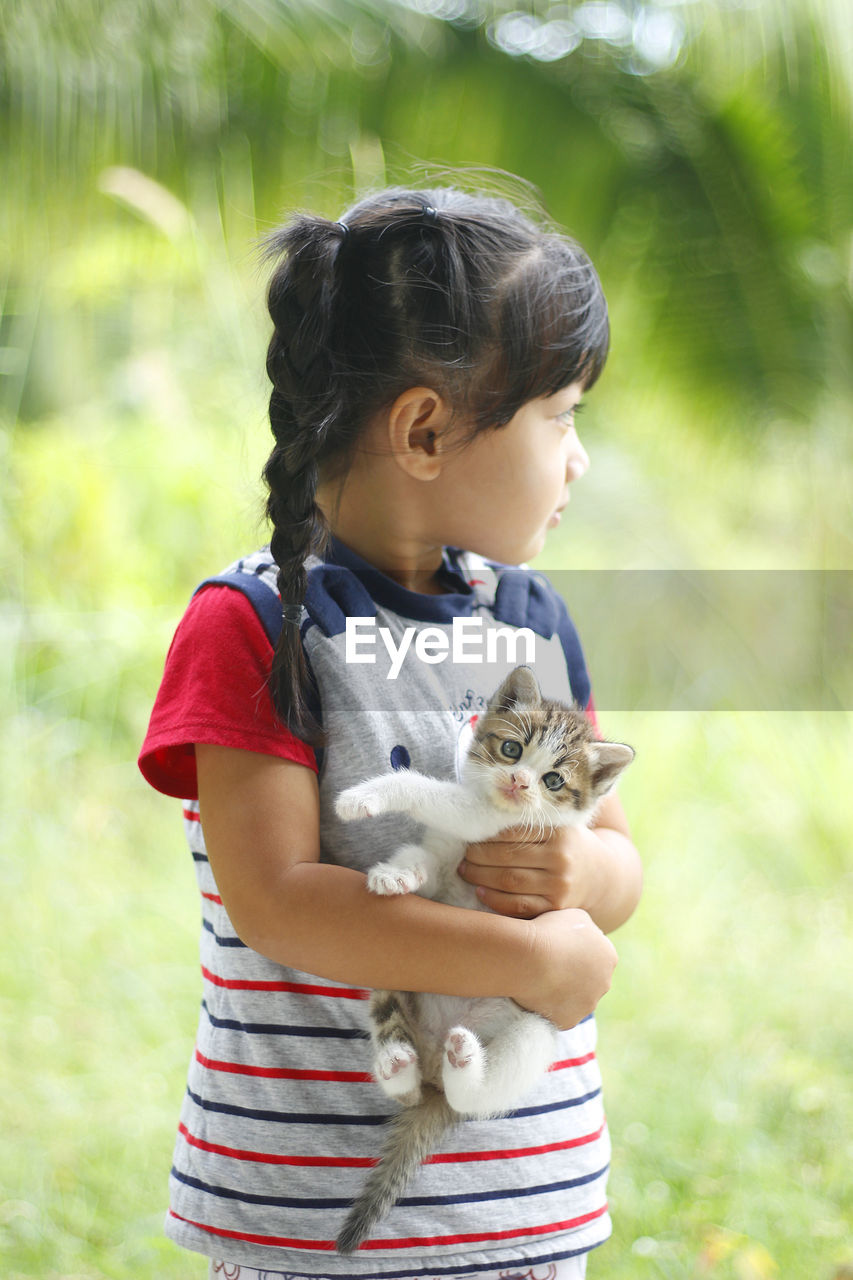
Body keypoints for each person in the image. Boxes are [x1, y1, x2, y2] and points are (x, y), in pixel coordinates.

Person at [139, 183, 643, 1280]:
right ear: (424, 428)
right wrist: (528, 955)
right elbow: (278, 898)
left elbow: (616, 855)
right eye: (560, 415)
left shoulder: (531, 622)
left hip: (528, 1198)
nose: (577, 456)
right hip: (318, 1219)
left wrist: (578, 873)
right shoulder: (259, 624)